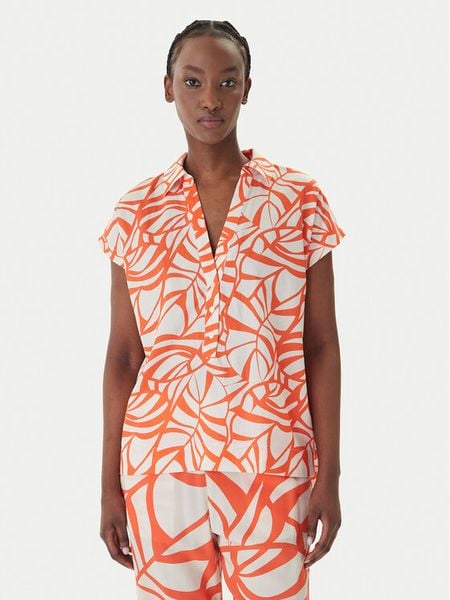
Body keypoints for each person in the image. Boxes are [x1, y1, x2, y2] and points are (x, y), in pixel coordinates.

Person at [98, 19, 346, 600]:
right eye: (193, 81)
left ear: (247, 89)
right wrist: (109, 484)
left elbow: (321, 344)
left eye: (227, 82)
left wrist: (329, 474)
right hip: (160, 461)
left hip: (272, 457)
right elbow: (124, 355)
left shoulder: (297, 200)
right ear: (168, 88)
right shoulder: (135, 212)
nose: (210, 99)